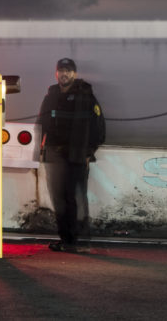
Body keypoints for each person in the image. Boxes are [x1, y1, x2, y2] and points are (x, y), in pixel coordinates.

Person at [36, 57, 106, 252]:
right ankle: (66, 240)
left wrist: (89, 153)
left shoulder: (85, 95)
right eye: (61, 70)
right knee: (59, 199)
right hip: (55, 157)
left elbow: (99, 128)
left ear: (74, 74)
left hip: (77, 156)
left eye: (68, 71)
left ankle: (80, 241)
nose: (64, 74)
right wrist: (41, 152)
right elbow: (42, 124)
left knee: (75, 198)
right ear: (56, 73)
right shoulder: (51, 95)